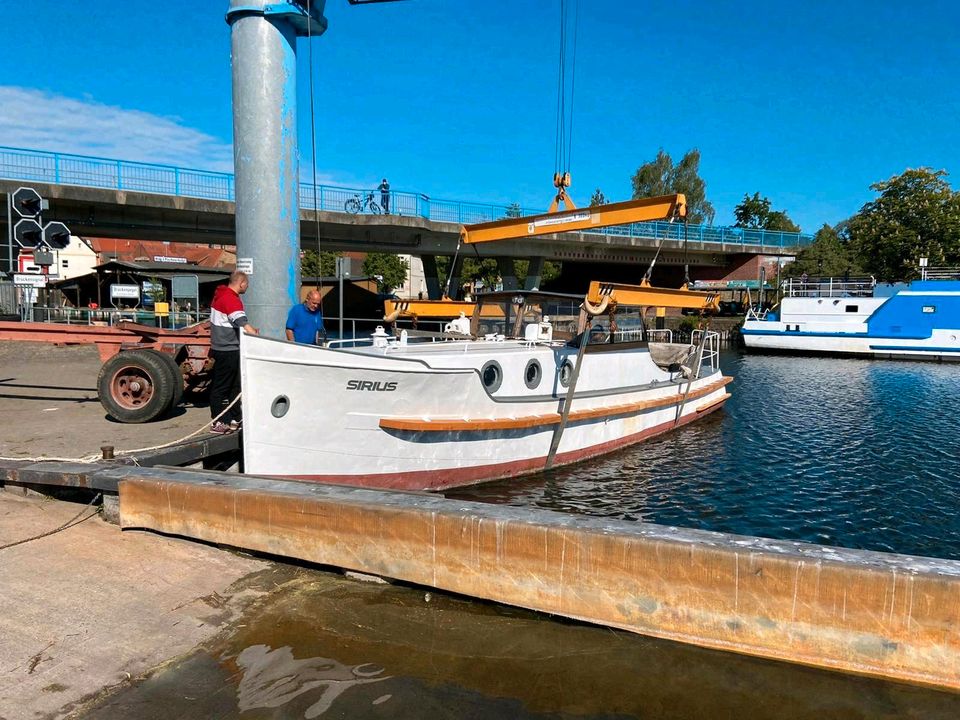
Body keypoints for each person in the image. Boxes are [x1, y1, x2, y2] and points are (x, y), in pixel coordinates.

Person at [209, 271, 259, 434]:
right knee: (221, 387)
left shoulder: (220, 295)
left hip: (224, 347)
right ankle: (217, 422)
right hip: (227, 349)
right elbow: (240, 320)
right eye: (247, 284)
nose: (247, 287)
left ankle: (235, 418)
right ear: (242, 283)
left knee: (234, 386)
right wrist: (253, 333)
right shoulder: (230, 298)